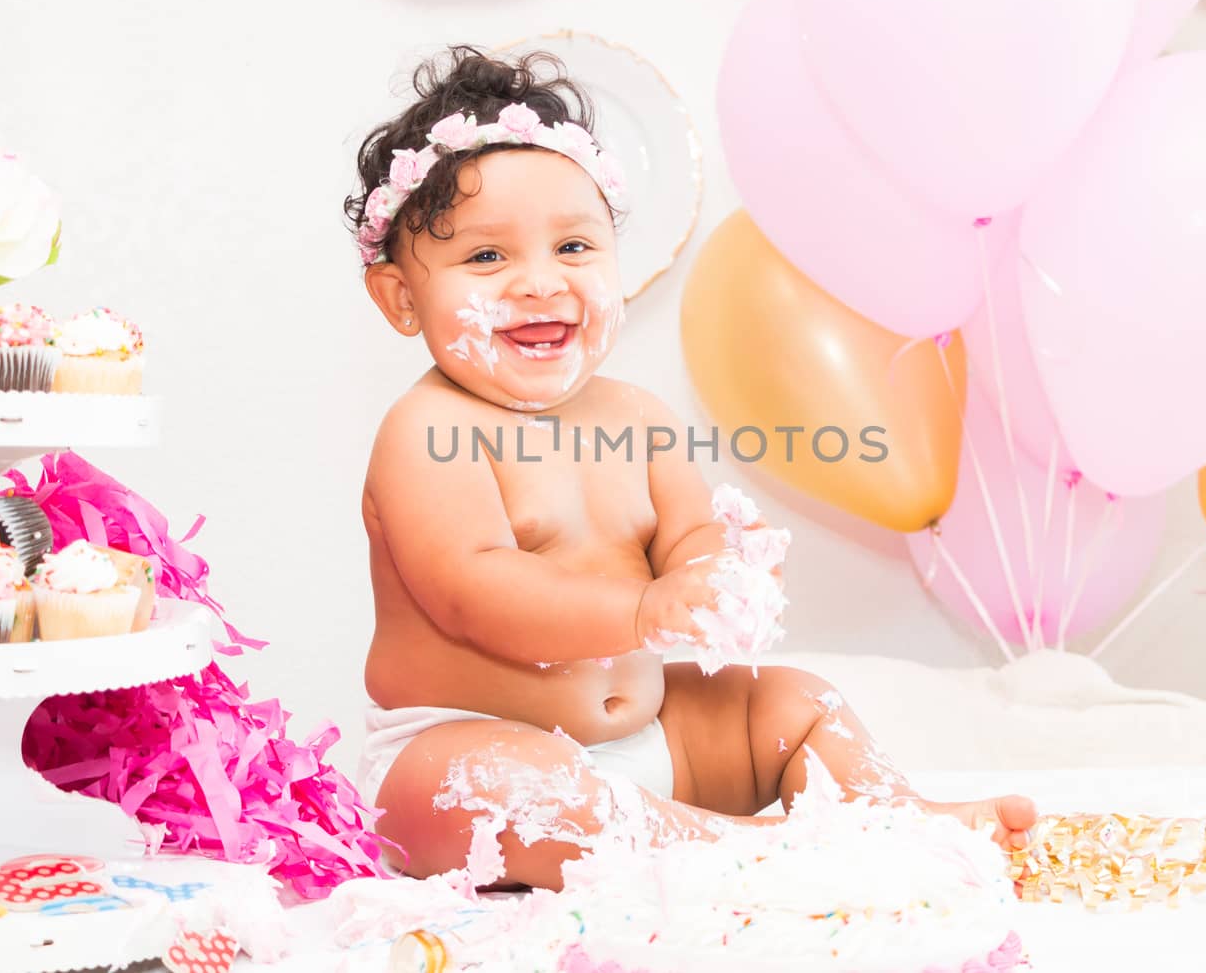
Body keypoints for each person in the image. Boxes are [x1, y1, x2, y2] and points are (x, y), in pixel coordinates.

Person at [345, 46, 1035, 889]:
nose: (539, 282)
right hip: (466, 745)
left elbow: (691, 534)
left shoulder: (635, 417)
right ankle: (752, 853)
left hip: (653, 740)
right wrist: (644, 608)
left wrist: (715, 577)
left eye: (573, 246)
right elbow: (473, 590)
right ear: (401, 298)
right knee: (505, 788)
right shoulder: (428, 430)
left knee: (792, 699)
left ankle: (892, 813)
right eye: (487, 258)